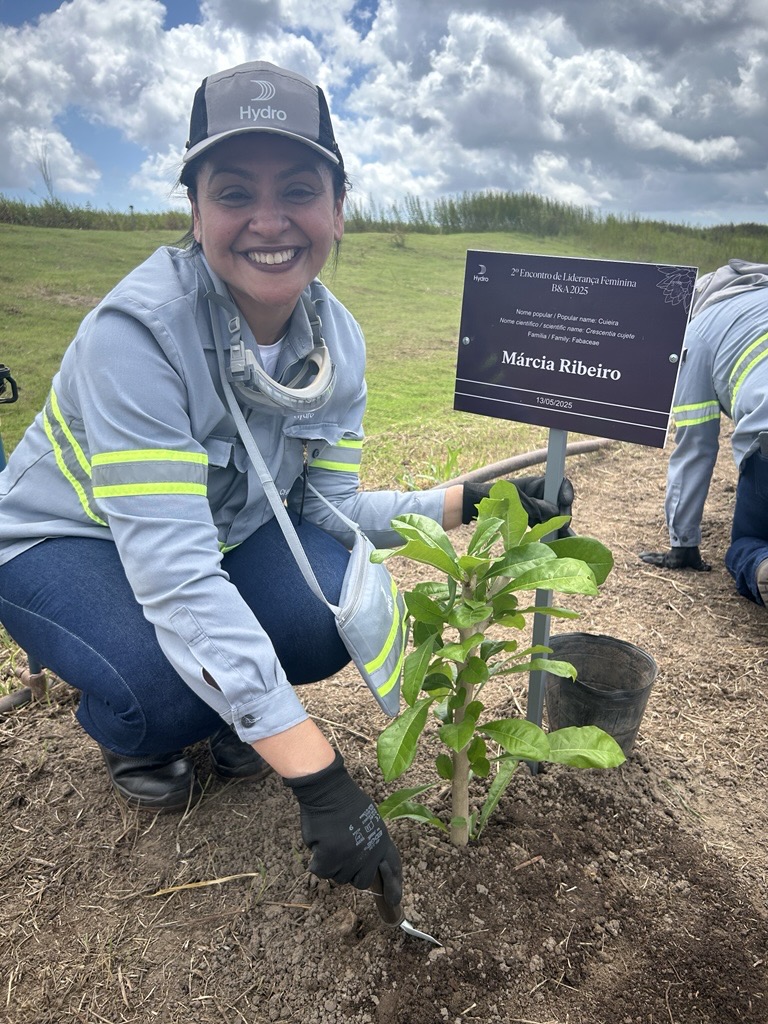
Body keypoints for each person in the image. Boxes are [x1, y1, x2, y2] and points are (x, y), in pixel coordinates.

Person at [0, 60, 571, 905]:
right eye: (233, 192)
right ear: (194, 212)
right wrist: (319, 777)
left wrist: (470, 504)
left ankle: (228, 710)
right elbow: (178, 574)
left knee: (322, 610)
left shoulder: (336, 343)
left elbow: (327, 515)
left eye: (299, 188)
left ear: (338, 208)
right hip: (65, 540)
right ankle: (131, 731)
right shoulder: (137, 333)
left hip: (203, 539)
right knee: (162, 689)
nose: (269, 221)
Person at [640, 258, 768, 606]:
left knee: (747, 545)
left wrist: (683, 543)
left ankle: (760, 565)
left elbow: (696, 447)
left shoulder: (698, 333)